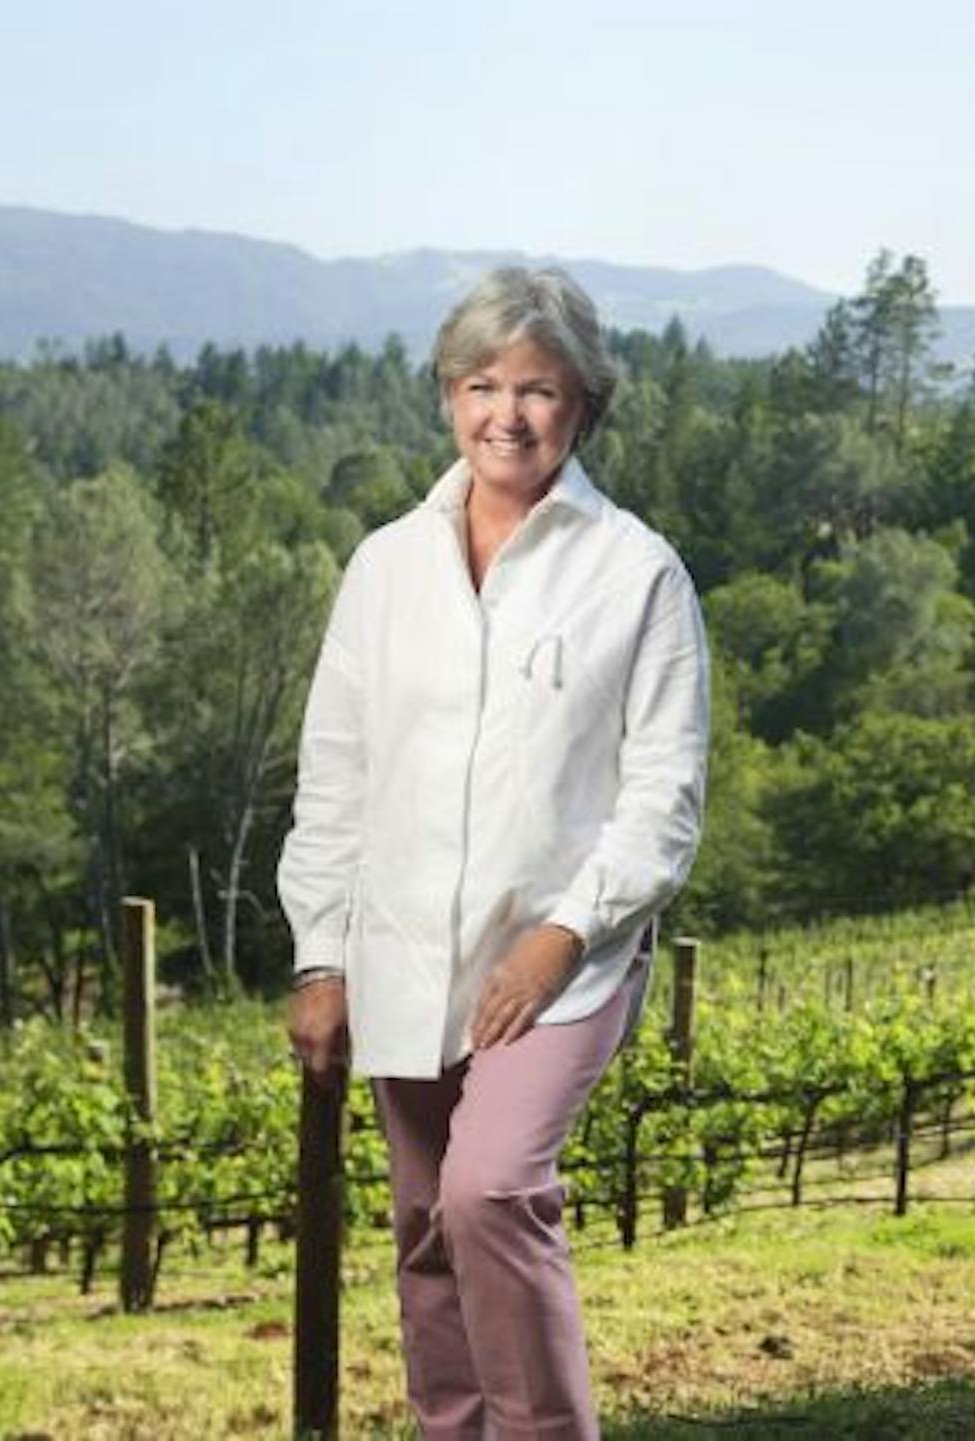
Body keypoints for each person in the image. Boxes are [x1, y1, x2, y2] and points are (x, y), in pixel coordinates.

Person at [279, 266, 709, 1441]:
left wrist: (561, 938)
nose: (506, 416)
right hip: (407, 951)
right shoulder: (383, 568)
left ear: (585, 408)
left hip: (562, 965)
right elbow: (337, 777)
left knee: (492, 1189)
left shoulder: (638, 574)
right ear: (447, 396)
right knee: (425, 1230)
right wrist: (322, 959)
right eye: (483, 385)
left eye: (540, 390)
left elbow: (663, 799)